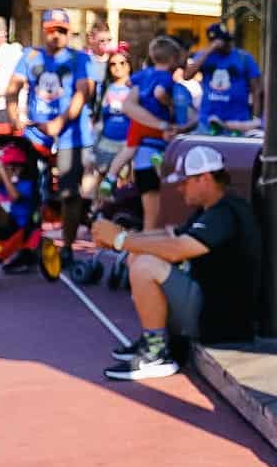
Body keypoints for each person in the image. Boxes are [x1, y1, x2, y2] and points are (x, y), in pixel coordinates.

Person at [96, 145, 261, 381]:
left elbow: (177, 249)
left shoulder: (225, 214)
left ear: (204, 179)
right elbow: (169, 237)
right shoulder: (210, 210)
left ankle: (157, 354)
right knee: (137, 255)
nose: (180, 187)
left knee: (145, 265)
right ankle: (155, 340)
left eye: (185, 181)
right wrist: (118, 238)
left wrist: (121, 239)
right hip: (208, 307)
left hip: (221, 321)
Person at [8, 7, 97, 255]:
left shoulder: (80, 59)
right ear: (43, 30)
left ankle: (67, 247)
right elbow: (12, 88)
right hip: (36, 134)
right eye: (51, 30)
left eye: (62, 31)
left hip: (72, 135)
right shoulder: (30, 56)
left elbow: (82, 92)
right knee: (28, 191)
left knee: (69, 192)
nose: (56, 35)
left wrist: (60, 121)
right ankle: (28, 245)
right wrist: (15, 116)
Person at [121, 36, 191, 231]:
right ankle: (145, 256)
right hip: (156, 153)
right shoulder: (165, 81)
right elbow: (157, 94)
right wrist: (166, 111)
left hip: (145, 155)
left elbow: (129, 87)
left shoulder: (144, 78)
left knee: (154, 216)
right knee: (154, 218)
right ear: (174, 59)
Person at [92, 47, 134, 178]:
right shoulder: (106, 88)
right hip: (106, 142)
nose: (117, 67)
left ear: (129, 66)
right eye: (113, 64)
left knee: (125, 181)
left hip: (128, 143)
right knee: (103, 177)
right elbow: (99, 116)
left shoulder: (135, 88)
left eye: (122, 63)